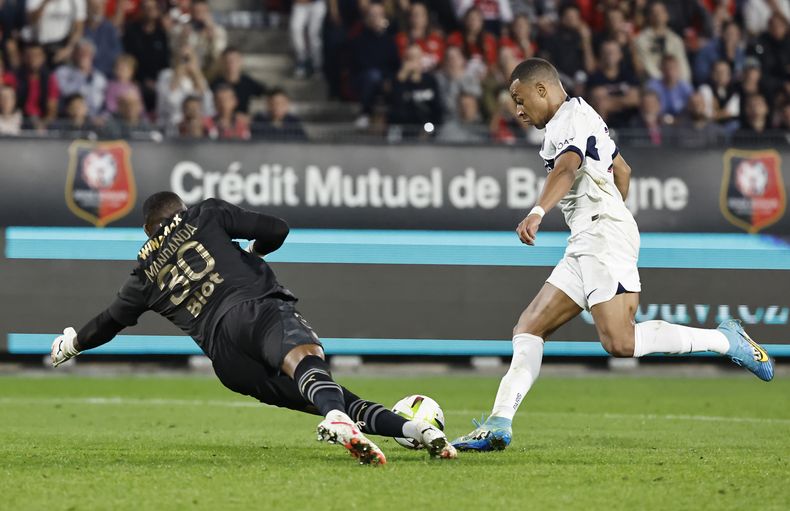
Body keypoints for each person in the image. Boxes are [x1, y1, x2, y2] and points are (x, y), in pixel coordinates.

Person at [451, 58, 773, 452]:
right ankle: (499, 422)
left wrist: (542, 212)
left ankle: (726, 341)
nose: (517, 110)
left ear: (542, 89)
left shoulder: (566, 121)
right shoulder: (585, 114)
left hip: (600, 234)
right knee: (529, 328)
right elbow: (624, 170)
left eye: (520, 99)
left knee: (620, 342)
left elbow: (567, 169)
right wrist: (608, 214)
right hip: (591, 235)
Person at [50, 193, 458, 465]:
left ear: (147, 232)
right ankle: (337, 418)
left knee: (327, 395)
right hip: (253, 310)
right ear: (181, 209)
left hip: (228, 363)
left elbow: (107, 322)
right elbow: (277, 229)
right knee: (309, 362)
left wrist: (71, 344)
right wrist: (254, 250)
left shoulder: (144, 275)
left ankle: (414, 429)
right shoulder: (204, 213)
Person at [123, 0, 171, 113]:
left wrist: (158, 81)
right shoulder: (131, 31)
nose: (149, 11)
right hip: (137, 80)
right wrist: (142, 79)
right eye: (146, 8)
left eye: (152, 8)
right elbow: (129, 58)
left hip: (159, 81)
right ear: (141, 10)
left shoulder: (161, 34)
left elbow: (165, 61)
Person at [634, 1, 691, 82]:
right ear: (649, 17)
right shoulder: (641, 40)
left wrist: (682, 83)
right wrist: (665, 83)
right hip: (654, 85)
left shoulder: (676, 39)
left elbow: (683, 65)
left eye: (661, 11)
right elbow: (648, 67)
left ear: (667, 15)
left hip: (677, 84)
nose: (658, 15)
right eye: (654, 12)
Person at [55, 39, 107, 117]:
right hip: (69, 116)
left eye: (87, 53)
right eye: (80, 52)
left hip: (94, 119)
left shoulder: (100, 78)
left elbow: (102, 102)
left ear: (92, 55)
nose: (83, 55)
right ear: (74, 55)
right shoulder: (63, 72)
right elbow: (64, 93)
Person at [210, 47, 266, 116]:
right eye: (227, 61)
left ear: (240, 61)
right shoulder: (214, 84)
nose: (231, 64)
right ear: (222, 62)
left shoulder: (249, 83)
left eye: (234, 60)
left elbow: (267, 95)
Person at [83, 0, 121, 78]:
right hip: (84, 74)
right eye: (94, 7)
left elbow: (117, 54)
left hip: (107, 75)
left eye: (100, 7)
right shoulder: (81, 29)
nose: (97, 10)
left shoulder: (110, 28)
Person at [289, 0, 326, 78]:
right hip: (300, 4)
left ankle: (317, 65)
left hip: (317, 3)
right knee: (295, 29)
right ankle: (302, 61)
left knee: (314, 35)